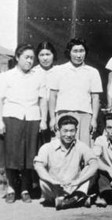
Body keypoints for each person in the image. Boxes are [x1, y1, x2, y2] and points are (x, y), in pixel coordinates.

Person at [0, 43, 47, 203]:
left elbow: (43, 100)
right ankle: (11, 188)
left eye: (32, 58)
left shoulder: (38, 76)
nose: (29, 61)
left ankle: (25, 188)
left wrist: (43, 120)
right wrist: (0, 122)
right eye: (26, 57)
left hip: (32, 118)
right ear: (17, 58)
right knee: (11, 156)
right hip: (12, 117)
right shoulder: (6, 76)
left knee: (29, 156)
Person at [34, 115, 98, 210]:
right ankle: (78, 199)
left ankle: (68, 201)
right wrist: (53, 181)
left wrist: (78, 181)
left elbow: (94, 164)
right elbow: (38, 166)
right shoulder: (47, 147)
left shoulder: (81, 146)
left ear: (76, 131)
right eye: (65, 131)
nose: (68, 135)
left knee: (92, 169)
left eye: (72, 131)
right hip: (56, 187)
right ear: (58, 130)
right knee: (43, 181)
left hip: (75, 186)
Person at [49, 38, 102, 146]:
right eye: (75, 51)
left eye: (81, 51)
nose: (78, 55)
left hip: (84, 116)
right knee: (62, 149)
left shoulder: (93, 72)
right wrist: (53, 118)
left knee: (83, 148)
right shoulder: (58, 70)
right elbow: (52, 96)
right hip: (63, 114)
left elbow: (95, 98)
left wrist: (94, 119)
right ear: (69, 52)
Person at [33, 41, 59, 143]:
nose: (45, 58)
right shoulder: (33, 72)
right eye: (41, 55)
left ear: (53, 55)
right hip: (39, 113)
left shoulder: (59, 71)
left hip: (56, 112)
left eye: (48, 54)